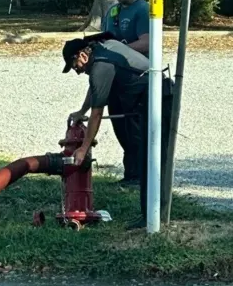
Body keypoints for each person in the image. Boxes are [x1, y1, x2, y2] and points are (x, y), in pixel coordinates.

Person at [63, 34, 172, 229]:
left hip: (158, 98)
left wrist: (83, 148)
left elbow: (97, 113)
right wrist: (81, 111)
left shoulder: (101, 66)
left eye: (74, 66)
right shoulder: (106, 48)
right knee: (148, 157)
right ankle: (154, 215)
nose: (77, 71)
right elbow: (97, 89)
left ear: (82, 55)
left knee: (151, 159)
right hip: (155, 94)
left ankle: (152, 218)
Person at [98, 0, 150, 186]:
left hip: (136, 78)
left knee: (134, 126)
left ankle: (138, 175)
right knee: (120, 125)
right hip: (114, 77)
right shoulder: (113, 11)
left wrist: (121, 49)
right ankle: (130, 174)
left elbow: (147, 42)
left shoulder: (143, 10)